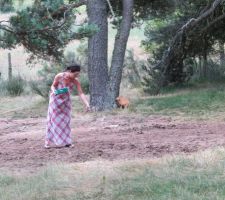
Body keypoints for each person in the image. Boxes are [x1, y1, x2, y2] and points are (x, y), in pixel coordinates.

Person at [45, 64, 90, 148]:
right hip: (55, 101)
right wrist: (54, 91)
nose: (76, 76)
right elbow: (53, 85)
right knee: (53, 121)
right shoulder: (59, 76)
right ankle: (48, 142)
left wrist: (86, 104)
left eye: (78, 74)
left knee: (66, 122)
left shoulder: (75, 81)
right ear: (69, 71)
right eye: (75, 74)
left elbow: (81, 93)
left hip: (66, 103)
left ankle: (67, 142)